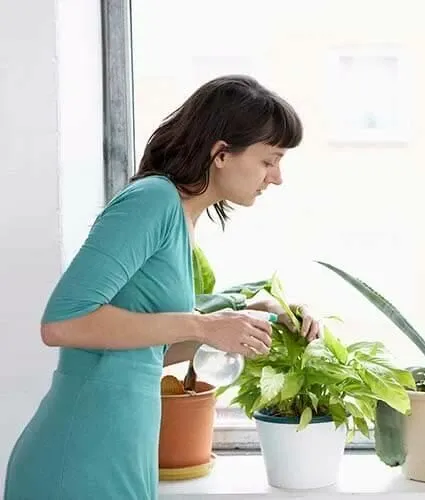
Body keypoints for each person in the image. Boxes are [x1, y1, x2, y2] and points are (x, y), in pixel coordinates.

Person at [3, 75, 321, 499]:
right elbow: (63, 322)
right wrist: (204, 326)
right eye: (270, 160)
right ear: (222, 153)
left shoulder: (181, 219)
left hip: (120, 450)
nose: (277, 177)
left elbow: (148, 348)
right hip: (80, 456)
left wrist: (255, 318)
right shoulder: (152, 201)